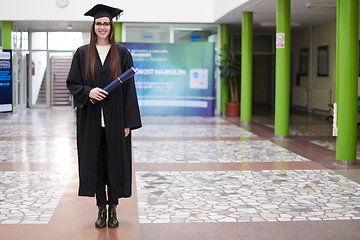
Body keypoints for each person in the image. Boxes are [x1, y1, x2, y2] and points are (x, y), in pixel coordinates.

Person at [66, 4, 142, 228]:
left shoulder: (122, 54)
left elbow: (129, 91)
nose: (102, 27)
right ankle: (101, 208)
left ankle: (113, 208)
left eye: (106, 23)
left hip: (116, 119)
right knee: (97, 164)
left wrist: (128, 122)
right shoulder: (82, 53)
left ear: (111, 26)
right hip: (91, 120)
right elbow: (72, 83)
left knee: (115, 163)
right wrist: (88, 91)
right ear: (93, 26)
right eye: (98, 23)